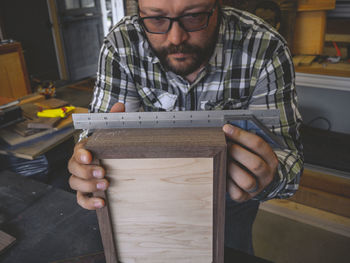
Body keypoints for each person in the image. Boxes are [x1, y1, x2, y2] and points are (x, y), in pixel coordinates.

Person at [68, 0, 303, 255]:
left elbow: (289, 162)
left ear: (217, 7)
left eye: (194, 17)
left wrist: (268, 176)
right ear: (139, 12)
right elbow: (94, 137)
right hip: (148, 201)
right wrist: (88, 163)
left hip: (231, 204)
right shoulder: (122, 44)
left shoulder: (265, 47)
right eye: (156, 19)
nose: (176, 37)